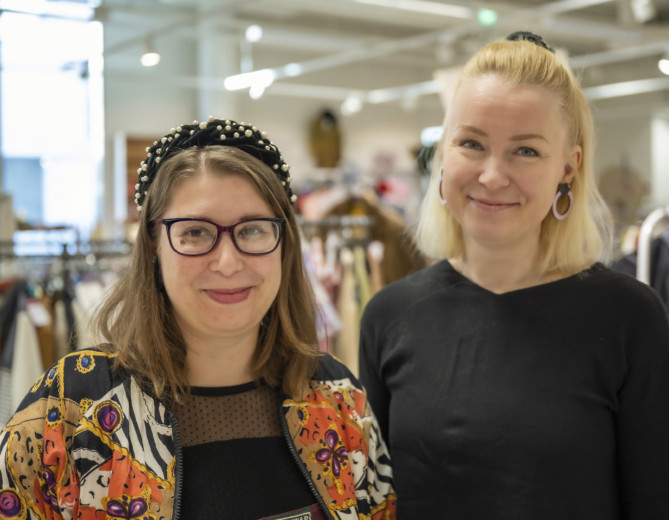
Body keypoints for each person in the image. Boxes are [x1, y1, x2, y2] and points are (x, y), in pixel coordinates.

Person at [359, 32, 669, 519]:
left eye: (525, 151)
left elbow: (668, 506)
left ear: (569, 166)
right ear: (444, 155)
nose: (493, 175)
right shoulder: (389, 316)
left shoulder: (630, 319)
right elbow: (375, 505)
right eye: (472, 143)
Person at [0, 117, 396, 520]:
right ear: (154, 246)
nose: (227, 262)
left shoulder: (339, 398)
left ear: (284, 245)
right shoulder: (69, 408)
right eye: (195, 233)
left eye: (253, 230)